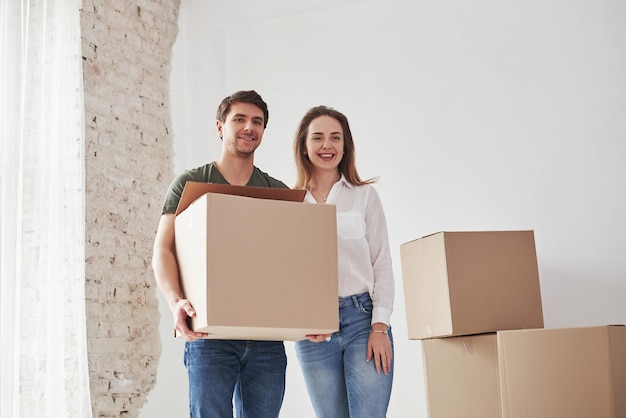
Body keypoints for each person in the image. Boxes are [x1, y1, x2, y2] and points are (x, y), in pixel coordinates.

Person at [152, 90, 289, 418]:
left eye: (257, 122)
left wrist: (312, 316)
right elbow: (163, 249)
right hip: (209, 335)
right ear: (219, 127)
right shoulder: (192, 182)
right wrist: (175, 303)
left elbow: (294, 259)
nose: (249, 127)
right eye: (239, 119)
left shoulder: (278, 192)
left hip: (266, 338)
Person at [292, 105, 395, 417]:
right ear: (304, 146)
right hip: (312, 329)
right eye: (318, 138)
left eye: (335, 138)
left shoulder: (364, 196)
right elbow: (286, 273)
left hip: (363, 321)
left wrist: (380, 327)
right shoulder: (290, 203)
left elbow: (382, 263)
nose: (327, 146)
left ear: (345, 145)